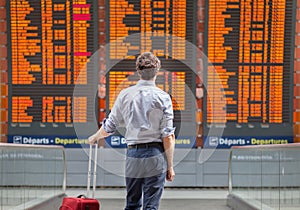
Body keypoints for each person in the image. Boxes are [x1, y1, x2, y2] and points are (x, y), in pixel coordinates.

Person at [88, 52, 175, 210]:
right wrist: (170, 166)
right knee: (151, 206)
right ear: (157, 72)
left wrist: (94, 137)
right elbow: (168, 136)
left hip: (133, 155)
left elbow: (109, 126)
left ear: (138, 71)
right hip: (156, 155)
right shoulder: (163, 97)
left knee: (132, 204)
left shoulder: (125, 95)